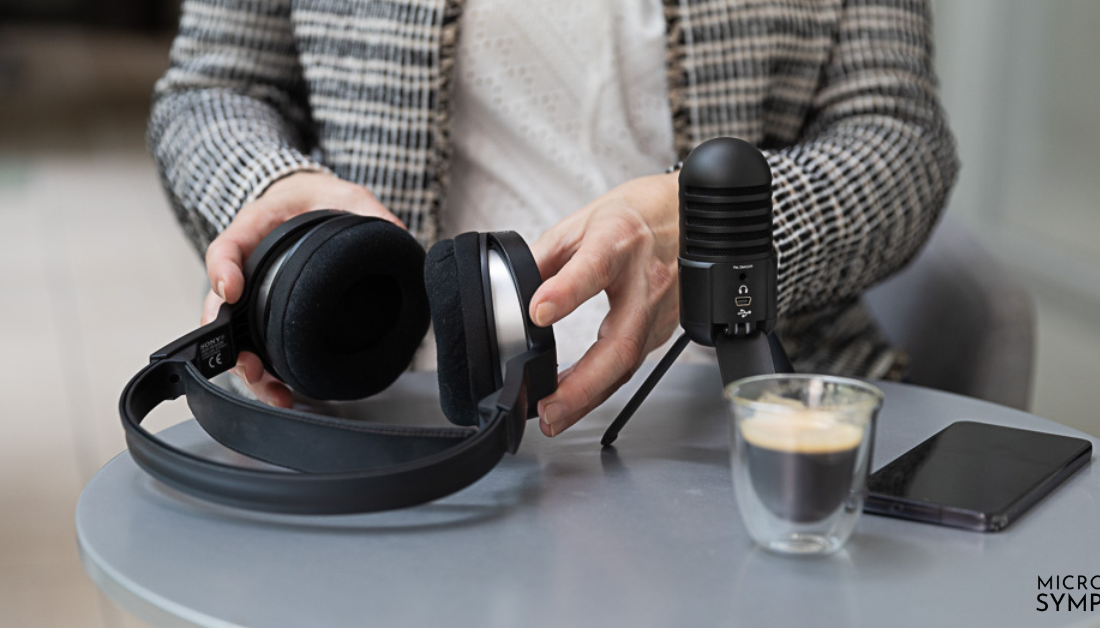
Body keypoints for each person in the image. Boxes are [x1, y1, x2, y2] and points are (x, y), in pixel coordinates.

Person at [148, 0, 958, 438]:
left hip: (734, 420)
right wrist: (274, 188)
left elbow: (901, 141)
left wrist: (723, 228)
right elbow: (212, 90)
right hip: (383, 412)